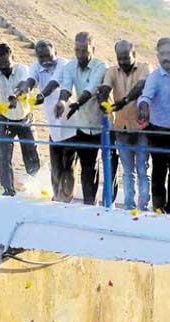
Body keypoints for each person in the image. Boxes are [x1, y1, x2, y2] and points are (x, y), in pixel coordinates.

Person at [17, 40, 76, 202]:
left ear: (55, 52)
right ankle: (57, 198)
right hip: (54, 128)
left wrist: (41, 95)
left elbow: (53, 83)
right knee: (55, 168)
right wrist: (24, 89)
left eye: (48, 56)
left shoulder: (63, 64)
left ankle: (67, 199)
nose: (45, 60)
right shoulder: (36, 65)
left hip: (71, 127)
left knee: (68, 168)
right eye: (41, 57)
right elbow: (30, 80)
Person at [56, 32, 108, 205]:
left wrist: (77, 104)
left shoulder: (101, 66)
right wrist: (62, 102)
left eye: (84, 50)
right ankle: (89, 204)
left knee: (111, 167)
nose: (80, 54)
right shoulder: (70, 67)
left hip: (105, 123)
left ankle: (109, 203)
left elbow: (91, 88)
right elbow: (66, 87)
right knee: (88, 166)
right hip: (84, 124)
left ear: (92, 49)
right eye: (77, 50)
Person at [99, 40, 151, 211]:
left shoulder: (145, 68)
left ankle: (143, 207)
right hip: (121, 128)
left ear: (134, 55)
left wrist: (125, 101)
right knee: (128, 172)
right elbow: (105, 89)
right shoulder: (112, 71)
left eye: (126, 58)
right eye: (119, 58)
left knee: (142, 170)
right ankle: (129, 206)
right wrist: (103, 100)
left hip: (141, 128)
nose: (122, 62)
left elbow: (140, 87)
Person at [0, 43, 41, 196]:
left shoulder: (23, 69)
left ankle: (35, 189)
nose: (3, 66)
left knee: (31, 155)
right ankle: (8, 191)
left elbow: (24, 86)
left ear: (12, 57)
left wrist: (15, 97)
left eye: (6, 62)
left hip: (24, 118)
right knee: (4, 157)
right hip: (4, 119)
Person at [138, 37, 170, 214]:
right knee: (159, 172)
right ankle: (158, 208)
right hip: (157, 131)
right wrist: (143, 106)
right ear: (157, 56)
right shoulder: (154, 77)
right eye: (162, 54)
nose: (166, 57)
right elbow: (145, 96)